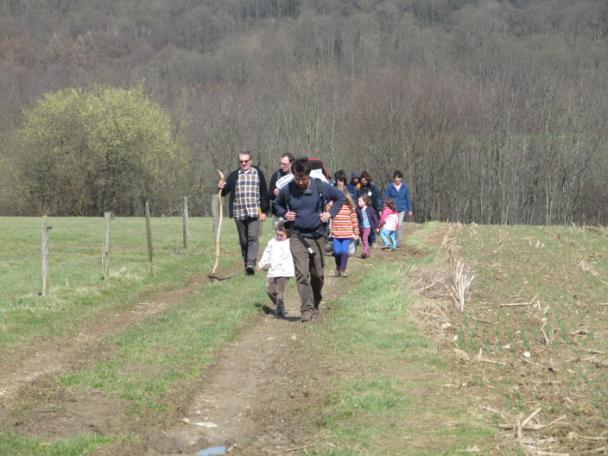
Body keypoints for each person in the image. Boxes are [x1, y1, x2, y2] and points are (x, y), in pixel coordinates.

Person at [273, 158, 345, 322]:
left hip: (318, 236)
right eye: (297, 178)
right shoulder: (289, 188)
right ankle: (306, 309)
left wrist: (330, 213)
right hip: (297, 236)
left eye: (303, 178)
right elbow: (276, 204)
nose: (300, 182)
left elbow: (340, 197)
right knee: (302, 274)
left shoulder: (320, 186)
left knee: (317, 274)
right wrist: (284, 213)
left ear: (308, 175)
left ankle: (315, 304)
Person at [218, 150, 269, 275]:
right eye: (241, 161)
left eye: (246, 161)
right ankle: (246, 261)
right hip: (239, 212)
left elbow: (264, 193)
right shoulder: (234, 175)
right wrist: (220, 186)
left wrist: (264, 211)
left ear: (250, 161)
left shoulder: (258, 173)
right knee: (243, 240)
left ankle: (251, 263)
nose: (244, 163)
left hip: (254, 211)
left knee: (252, 237)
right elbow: (224, 192)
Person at [257, 221, 295, 318]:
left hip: (284, 271)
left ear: (288, 233)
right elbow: (266, 253)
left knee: (280, 291)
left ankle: (280, 311)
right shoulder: (272, 242)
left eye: (281, 235)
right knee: (270, 290)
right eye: (277, 235)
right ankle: (279, 304)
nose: (279, 237)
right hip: (273, 270)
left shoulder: (291, 242)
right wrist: (261, 263)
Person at [328, 180, 359, 277]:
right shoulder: (332, 204)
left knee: (345, 251)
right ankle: (338, 266)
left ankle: (343, 268)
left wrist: (356, 232)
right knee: (337, 252)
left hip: (347, 234)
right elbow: (326, 211)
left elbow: (354, 219)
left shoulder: (349, 206)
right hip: (336, 234)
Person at [383, 170, 413, 246]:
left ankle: (398, 241)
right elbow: (386, 197)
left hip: (402, 209)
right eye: (396, 178)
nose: (398, 180)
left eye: (399, 178)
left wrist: (410, 209)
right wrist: (385, 206)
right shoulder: (390, 187)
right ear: (394, 178)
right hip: (392, 210)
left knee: (399, 224)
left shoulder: (405, 187)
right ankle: (393, 240)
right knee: (393, 225)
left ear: (401, 179)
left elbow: (408, 199)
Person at [356, 195, 379, 259]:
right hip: (361, 227)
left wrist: (377, 227)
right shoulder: (358, 210)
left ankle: (364, 252)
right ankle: (367, 253)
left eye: (360, 201)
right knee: (364, 240)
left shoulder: (370, 210)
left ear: (365, 202)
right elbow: (355, 216)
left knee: (364, 238)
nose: (358, 203)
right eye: (358, 201)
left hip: (368, 227)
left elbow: (375, 219)